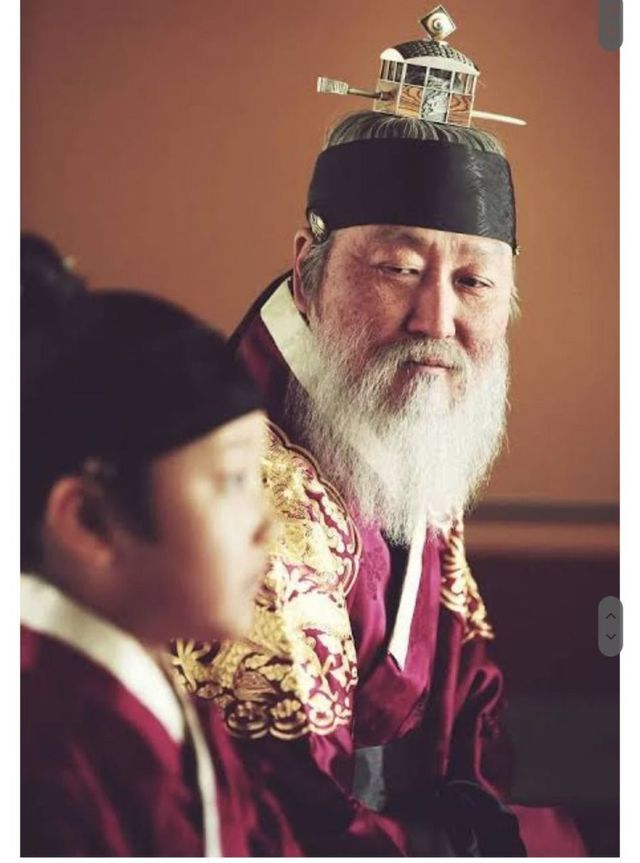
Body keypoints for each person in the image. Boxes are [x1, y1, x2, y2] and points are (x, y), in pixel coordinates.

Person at [173, 9, 584, 856]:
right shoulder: (243, 486)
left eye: (474, 282)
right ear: (307, 269)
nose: (435, 320)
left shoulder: (396, 406)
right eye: (399, 268)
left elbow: (463, 676)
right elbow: (277, 814)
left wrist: (466, 801)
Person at [20, 233, 273, 856]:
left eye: (259, 480)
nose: (268, 527)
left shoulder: (152, 696)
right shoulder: (41, 756)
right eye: (233, 481)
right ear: (90, 521)